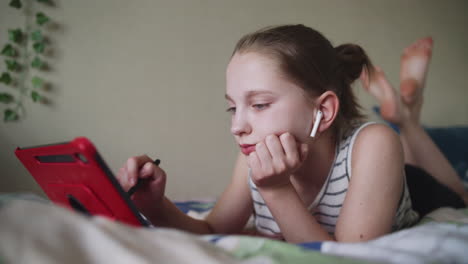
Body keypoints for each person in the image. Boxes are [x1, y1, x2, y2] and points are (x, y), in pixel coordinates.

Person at [117, 24, 467, 243]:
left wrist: (277, 191)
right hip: (364, 183)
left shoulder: (374, 143)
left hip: (404, 186)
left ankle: (407, 120)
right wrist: (156, 206)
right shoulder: (250, 157)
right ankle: (406, 116)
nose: (237, 126)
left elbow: (348, 256)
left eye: (260, 105)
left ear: (323, 110)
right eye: (232, 107)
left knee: (459, 196)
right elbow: (211, 230)